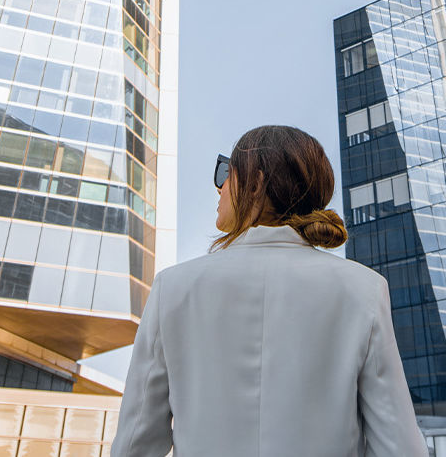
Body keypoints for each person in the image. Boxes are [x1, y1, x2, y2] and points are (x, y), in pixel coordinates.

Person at [111, 124, 427, 457]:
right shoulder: (364, 290)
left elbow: (134, 446)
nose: (218, 188)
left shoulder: (172, 289)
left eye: (225, 173)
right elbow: (401, 448)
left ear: (257, 183)